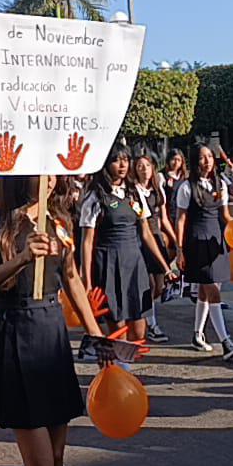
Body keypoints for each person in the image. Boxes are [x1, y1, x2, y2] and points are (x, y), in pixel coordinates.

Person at [0, 175, 106, 466]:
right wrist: (21, 257)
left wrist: (96, 334)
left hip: (52, 333)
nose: (50, 177)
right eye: (40, 169)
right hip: (14, 331)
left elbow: (71, 278)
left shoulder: (60, 218)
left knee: (58, 458)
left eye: (53, 170)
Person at [80, 143, 175, 346]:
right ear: (106, 164)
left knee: (139, 332)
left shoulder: (134, 193)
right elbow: (87, 242)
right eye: (116, 160)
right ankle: (119, 365)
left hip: (134, 265)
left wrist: (166, 268)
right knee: (118, 333)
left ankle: (127, 364)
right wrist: (86, 282)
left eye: (125, 160)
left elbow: (146, 234)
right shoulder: (95, 197)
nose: (122, 165)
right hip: (109, 265)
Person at [176, 144, 233, 360]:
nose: (207, 161)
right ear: (195, 161)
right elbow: (181, 219)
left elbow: (225, 215)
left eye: (210, 156)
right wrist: (179, 249)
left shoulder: (219, 183)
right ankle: (226, 342)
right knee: (213, 289)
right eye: (202, 157)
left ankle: (197, 334)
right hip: (197, 241)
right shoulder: (187, 187)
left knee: (206, 291)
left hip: (216, 240)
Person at [134, 151, 178, 343]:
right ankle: (151, 324)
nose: (144, 169)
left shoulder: (157, 190)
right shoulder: (134, 191)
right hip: (141, 238)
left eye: (147, 165)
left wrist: (175, 240)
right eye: (140, 166)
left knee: (159, 287)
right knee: (149, 284)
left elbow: (164, 218)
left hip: (157, 236)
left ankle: (145, 314)